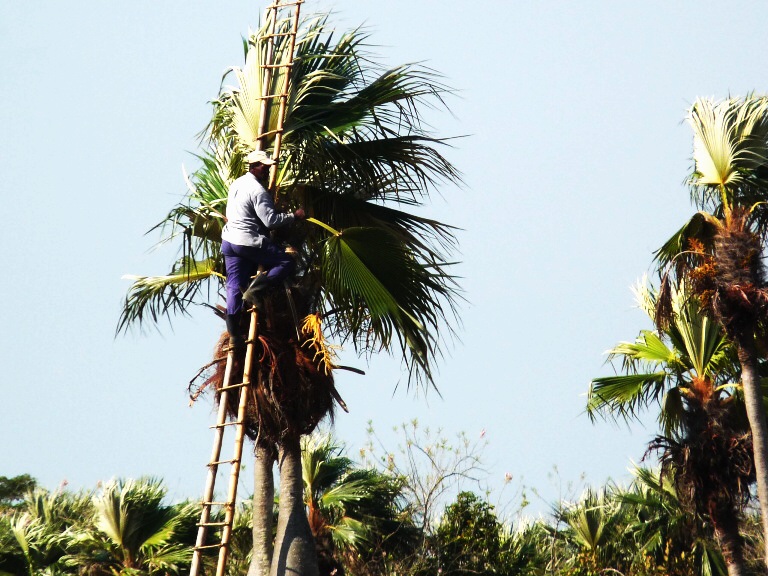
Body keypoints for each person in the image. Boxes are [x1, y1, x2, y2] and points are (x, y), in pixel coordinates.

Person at [221, 149, 305, 344]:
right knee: (285, 263)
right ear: (254, 167)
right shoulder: (258, 191)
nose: (267, 170)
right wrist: (294, 216)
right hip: (247, 241)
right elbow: (270, 221)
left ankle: (234, 335)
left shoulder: (237, 183)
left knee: (233, 285)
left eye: (268, 167)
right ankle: (256, 290)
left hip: (229, 241)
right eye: (263, 167)